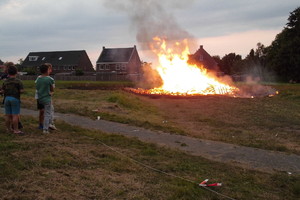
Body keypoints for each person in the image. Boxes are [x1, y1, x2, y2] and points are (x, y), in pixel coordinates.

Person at [1, 65, 24, 134]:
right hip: (15, 99)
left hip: (6, 99)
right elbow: (21, 91)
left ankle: (8, 129)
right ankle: (16, 130)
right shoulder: (18, 81)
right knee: (15, 115)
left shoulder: (5, 81)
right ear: (16, 72)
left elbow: (2, 91)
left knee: (7, 115)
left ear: (8, 72)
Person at [35, 63, 57, 134]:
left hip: (40, 98)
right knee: (47, 114)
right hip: (47, 99)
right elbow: (52, 89)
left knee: (46, 112)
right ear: (48, 70)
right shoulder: (50, 79)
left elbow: (37, 88)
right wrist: (50, 93)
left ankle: (48, 125)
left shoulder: (38, 79)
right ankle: (46, 129)